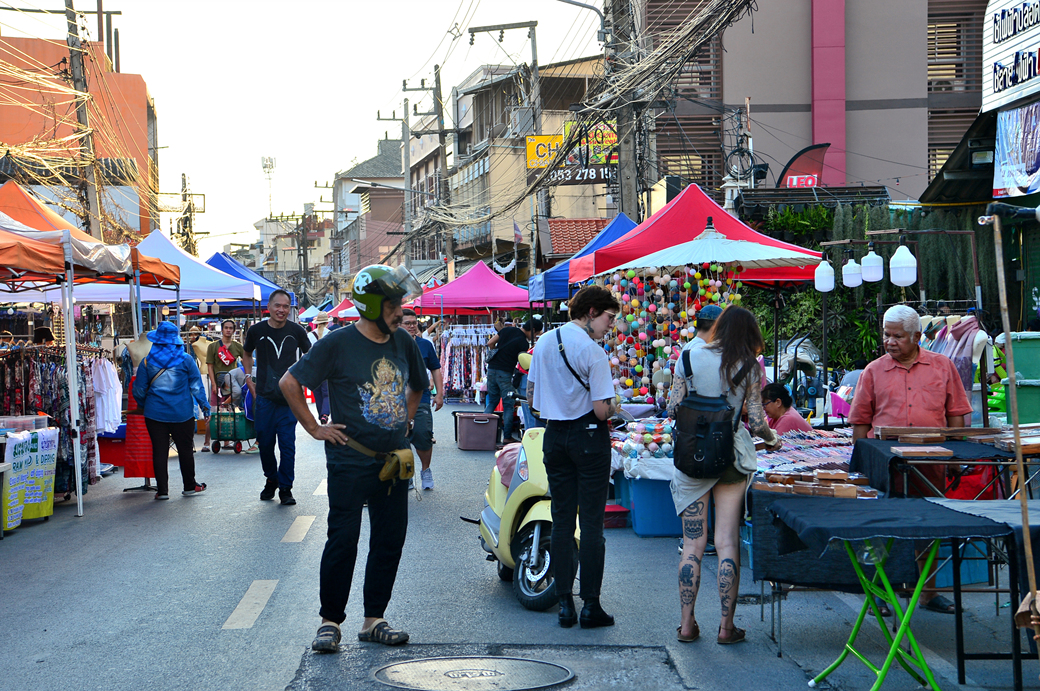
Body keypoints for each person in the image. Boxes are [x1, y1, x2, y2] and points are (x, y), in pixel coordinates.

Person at [279, 264, 427, 653]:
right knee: (343, 540)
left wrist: (406, 420)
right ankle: (330, 622)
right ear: (372, 305)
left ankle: (374, 619)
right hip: (350, 460)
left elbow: (418, 385)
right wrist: (314, 428)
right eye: (393, 305)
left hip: (393, 460)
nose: (400, 313)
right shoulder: (337, 343)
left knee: (389, 540)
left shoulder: (403, 341)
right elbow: (289, 382)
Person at [667, 306, 781, 645]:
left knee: (692, 544)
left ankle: (686, 625)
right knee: (728, 542)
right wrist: (773, 439)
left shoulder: (687, 357)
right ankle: (726, 627)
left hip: (692, 457)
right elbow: (757, 422)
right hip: (730, 456)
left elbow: (673, 407)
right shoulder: (749, 365)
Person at [849, 304, 973, 615]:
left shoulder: (942, 366)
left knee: (928, 526)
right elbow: (860, 421)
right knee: (881, 527)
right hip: (885, 465)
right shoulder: (873, 371)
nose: (889, 342)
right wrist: (862, 463)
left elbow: (956, 414)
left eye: (898, 336)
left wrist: (954, 458)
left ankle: (928, 592)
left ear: (917, 336)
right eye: (886, 335)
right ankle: (880, 592)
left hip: (930, 464)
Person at [527, 286, 619, 629]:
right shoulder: (593, 352)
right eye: (609, 317)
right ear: (592, 312)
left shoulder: (544, 342)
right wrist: (614, 405)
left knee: (562, 520)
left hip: (554, 436)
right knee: (592, 523)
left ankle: (564, 603)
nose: (611, 325)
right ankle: (591, 605)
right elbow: (601, 410)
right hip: (589, 437)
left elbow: (532, 398)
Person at [242, 289, 311, 506]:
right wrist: (248, 378)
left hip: (289, 400)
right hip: (264, 398)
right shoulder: (256, 330)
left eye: (285, 306)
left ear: (290, 309)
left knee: (287, 445)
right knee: (265, 444)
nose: (281, 310)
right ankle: (271, 479)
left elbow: (310, 355)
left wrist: (302, 378)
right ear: (269, 307)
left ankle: (286, 488)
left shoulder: (297, 331)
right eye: (277, 306)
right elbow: (246, 353)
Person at [132, 321, 210, 500]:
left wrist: (145, 404)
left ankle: (162, 491)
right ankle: (189, 486)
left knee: (159, 451)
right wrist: (205, 407)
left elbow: (139, 390)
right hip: (182, 413)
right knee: (185, 450)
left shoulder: (147, 362)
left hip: (154, 414)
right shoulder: (186, 360)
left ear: (157, 340)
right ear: (176, 340)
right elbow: (196, 386)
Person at [401, 308, 444, 490]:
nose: (412, 326)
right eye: (407, 323)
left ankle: (426, 470)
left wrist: (439, 393)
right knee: (401, 439)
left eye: (414, 323)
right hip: (395, 400)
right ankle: (407, 473)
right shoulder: (390, 344)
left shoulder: (425, 345)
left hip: (421, 398)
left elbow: (435, 368)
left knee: (423, 434)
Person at [485, 318, 543, 443]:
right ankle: (507, 437)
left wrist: (497, 354)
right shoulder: (523, 344)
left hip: (491, 369)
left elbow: (490, 343)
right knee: (508, 404)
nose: (535, 337)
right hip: (505, 372)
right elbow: (523, 362)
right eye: (536, 334)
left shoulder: (507, 330)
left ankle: (481, 432)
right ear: (533, 330)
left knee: (492, 401)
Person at [205, 319, 246, 450]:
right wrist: (213, 383)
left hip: (232, 384)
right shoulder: (213, 346)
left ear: (234, 330)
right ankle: (207, 442)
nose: (228, 330)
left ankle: (227, 441)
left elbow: (246, 361)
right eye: (226, 328)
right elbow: (210, 366)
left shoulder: (238, 346)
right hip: (217, 382)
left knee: (229, 412)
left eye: (230, 328)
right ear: (222, 329)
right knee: (213, 412)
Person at [308, 311, 333, 424]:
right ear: (327, 322)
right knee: (327, 393)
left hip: (314, 369)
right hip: (327, 368)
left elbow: (306, 353)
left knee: (317, 393)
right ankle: (325, 414)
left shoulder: (310, 335)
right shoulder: (331, 334)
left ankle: (321, 415)